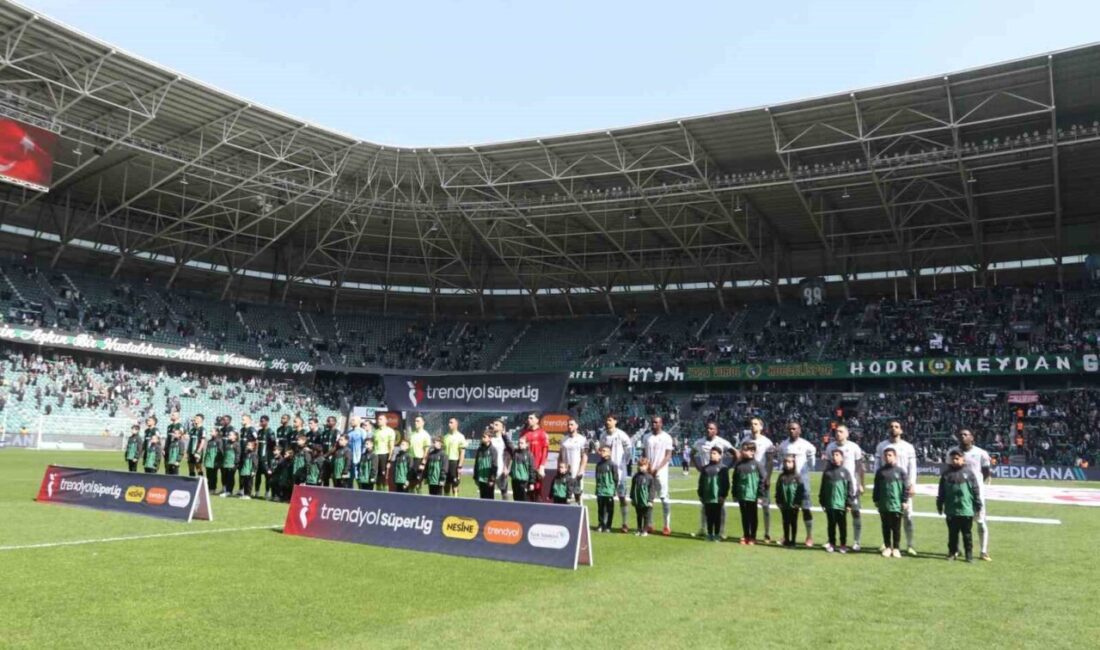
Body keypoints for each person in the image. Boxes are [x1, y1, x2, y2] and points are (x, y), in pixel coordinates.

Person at [874, 420, 918, 556]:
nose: (893, 429)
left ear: (901, 430)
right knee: (886, 517)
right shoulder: (882, 445)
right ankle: (887, 544)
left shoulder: (908, 447)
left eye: (896, 427)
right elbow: (877, 466)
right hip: (887, 486)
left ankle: (909, 545)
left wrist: (912, 484)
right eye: (891, 426)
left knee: (907, 517)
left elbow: (912, 467)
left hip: (903, 486)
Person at [949, 428, 993, 561]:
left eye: (965, 434)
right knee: (956, 523)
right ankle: (956, 550)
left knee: (980, 521)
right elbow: (948, 470)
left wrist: (977, 485)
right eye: (960, 434)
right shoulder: (952, 452)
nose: (962, 436)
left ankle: (983, 551)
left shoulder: (981, 453)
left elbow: (985, 472)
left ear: (972, 438)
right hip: (957, 493)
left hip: (975, 493)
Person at [936, 449, 984, 563]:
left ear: (963, 459)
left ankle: (969, 555)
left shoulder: (969, 473)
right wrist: (939, 504)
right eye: (953, 458)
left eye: (957, 458)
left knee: (967, 534)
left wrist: (978, 504)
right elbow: (941, 491)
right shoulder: (946, 474)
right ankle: (952, 553)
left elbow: (975, 490)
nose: (955, 460)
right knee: (952, 534)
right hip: (951, 509)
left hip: (966, 509)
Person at [691, 421, 736, 538]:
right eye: (707, 428)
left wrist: (727, 468)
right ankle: (703, 528)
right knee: (705, 505)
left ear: (716, 431)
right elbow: (692, 454)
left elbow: (736, 453)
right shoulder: (699, 442)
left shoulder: (722, 442)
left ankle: (721, 531)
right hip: (706, 476)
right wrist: (698, 467)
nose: (709, 430)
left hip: (718, 477)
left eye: (711, 429)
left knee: (721, 505)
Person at [824, 424, 864, 551]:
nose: (838, 433)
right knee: (835, 514)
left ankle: (857, 541)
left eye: (841, 431)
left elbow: (859, 467)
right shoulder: (830, 447)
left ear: (847, 434)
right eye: (836, 431)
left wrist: (860, 483)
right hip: (836, 486)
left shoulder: (854, 447)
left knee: (855, 512)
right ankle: (832, 541)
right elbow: (828, 466)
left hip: (851, 485)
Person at [777, 421, 817, 547]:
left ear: (799, 430)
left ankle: (809, 536)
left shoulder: (806, 445)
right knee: (787, 510)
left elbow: (812, 463)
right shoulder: (783, 445)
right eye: (789, 429)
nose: (791, 431)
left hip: (802, 482)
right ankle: (786, 536)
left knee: (805, 509)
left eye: (794, 429)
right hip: (788, 482)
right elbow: (779, 460)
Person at [740, 417, 776, 542]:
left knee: (765, 506)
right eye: (751, 424)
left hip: (761, 477)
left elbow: (770, 462)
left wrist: (768, 477)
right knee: (749, 507)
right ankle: (749, 533)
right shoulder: (745, 440)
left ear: (761, 427)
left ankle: (767, 533)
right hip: (749, 479)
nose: (753, 426)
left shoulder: (767, 442)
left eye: (755, 424)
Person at [873, 447, 909, 559]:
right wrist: (876, 500)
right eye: (886, 455)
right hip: (884, 504)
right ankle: (888, 547)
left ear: (895, 456)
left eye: (890, 455)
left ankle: (896, 548)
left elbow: (905, 488)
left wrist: (904, 501)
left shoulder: (901, 471)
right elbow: (877, 487)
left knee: (896, 527)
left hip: (897, 504)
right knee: (885, 526)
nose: (887, 457)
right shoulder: (880, 472)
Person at [599, 414, 633, 533]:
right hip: (607, 473)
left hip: (620, 471)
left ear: (615, 421)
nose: (607, 422)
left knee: (622, 497)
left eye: (610, 420)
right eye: (606, 420)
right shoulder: (603, 435)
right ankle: (605, 524)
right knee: (606, 498)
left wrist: (624, 463)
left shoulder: (621, 435)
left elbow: (629, 450)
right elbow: (601, 449)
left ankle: (625, 523)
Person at [644, 416, 674, 536]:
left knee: (664, 498)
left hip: (661, 472)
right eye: (652, 422)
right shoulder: (646, 437)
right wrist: (648, 466)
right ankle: (649, 524)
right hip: (649, 471)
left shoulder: (667, 437)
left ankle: (666, 525)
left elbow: (668, 456)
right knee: (648, 499)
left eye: (656, 422)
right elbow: (644, 453)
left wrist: (658, 468)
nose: (654, 424)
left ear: (661, 423)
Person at [819, 448, 853, 553]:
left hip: (841, 504)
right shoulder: (827, 472)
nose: (835, 457)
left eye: (837, 455)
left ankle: (843, 544)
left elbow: (849, 488)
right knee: (831, 525)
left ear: (842, 457)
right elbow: (823, 487)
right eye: (833, 455)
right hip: (829, 504)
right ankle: (832, 543)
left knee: (842, 525)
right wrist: (822, 501)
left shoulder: (845, 472)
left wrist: (848, 503)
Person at [731, 441, 765, 544]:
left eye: (745, 449)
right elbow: (735, 480)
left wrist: (760, 495)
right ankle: (746, 535)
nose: (742, 451)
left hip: (753, 495)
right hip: (742, 495)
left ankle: (753, 536)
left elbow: (762, 480)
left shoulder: (757, 465)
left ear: (752, 452)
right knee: (744, 516)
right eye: (742, 449)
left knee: (753, 516)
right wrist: (734, 494)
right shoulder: (739, 465)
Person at [697, 446, 732, 542]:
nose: (712, 455)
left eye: (714, 453)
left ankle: (717, 534)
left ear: (720, 456)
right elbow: (701, 483)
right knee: (709, 516)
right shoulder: (705, 468)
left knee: (717, 517)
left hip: (717, 497)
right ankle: (709, 534)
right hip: (707, 497)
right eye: (711, 453)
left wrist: (723, 496)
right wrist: (700, 495)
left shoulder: (723, 468)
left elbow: (726, 484)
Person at [775, 455, 806, 547]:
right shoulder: (781, 476)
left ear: (794, 463)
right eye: (786, 462)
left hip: (794, 505)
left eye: (790, 462)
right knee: (785, 522)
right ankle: (786, 539)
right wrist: (778, 501)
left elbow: (800, 491)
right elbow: (778, 490)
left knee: (793, 522)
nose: (787, 464)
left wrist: (798, 503)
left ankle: (793, 540)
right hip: (784, 504)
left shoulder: (797, 477)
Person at [520, 413, 549, 501]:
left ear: (537, 420)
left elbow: (545, 451)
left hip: (536, 468)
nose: (529, 420)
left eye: (531, 418)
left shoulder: (542, 433)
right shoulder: (524, 433)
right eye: (528, 418)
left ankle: (537, 513)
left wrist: (542, 466)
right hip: (525, 467)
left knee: (537, 492)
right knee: (525, 493)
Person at [559, 418, 588, 505]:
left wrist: (581, 470)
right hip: (565, 473)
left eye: (572, 424)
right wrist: (560, 468)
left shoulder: (582, 439)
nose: (569, 426)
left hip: (576, 473)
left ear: (577, 426)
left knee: (578, 496)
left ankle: (580, 516)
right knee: (566, 497)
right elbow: (560, 456)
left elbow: (585, 456)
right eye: (568, 424)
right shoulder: (563, 440)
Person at [593, 444, 619, 532]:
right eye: (601, 451)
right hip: (600, 491)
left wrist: (614, 490)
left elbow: (616, 479)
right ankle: (600, 525)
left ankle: (608, 526)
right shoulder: (599, 464)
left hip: (609, 491)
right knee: (600, 509)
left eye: (604, 451)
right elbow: (597, 478)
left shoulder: (613, 464)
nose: (602, 452)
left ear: (609, 453)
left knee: (609, 509)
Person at [630, 458, 657, 536]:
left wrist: (650, 500)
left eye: (643, 465)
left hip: (646, 501)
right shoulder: (635, 476)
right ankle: (639, 529)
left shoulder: (650, 477)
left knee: (646, 516)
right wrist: (632, 498)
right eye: (640, 465)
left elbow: (652, 490)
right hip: (638, 500)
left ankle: (645, 530)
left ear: (647, 466)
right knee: (639, 515)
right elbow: (633, 487)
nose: (641, 467)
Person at [407, 415, 433, 494]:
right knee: (410, 482)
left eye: (418, 421)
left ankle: (419, 499)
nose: (416, 423)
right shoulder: (412, 434)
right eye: (415, 421)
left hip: (419, 459)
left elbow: (426, 451)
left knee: (418, 482)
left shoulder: (426, 435)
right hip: (411, 459)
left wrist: (423, 463)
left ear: (423, 423)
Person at [489, 419, 513, 500]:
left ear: (502, 428)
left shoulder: (505, 440)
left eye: (496, 425)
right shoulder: (490, 439)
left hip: (501, 471)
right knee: (489, 494)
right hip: (490, 470)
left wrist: (506, 467)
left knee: (504, 493)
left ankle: (506, 511)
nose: (494, 426)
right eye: (494, 424)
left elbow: (512, 451)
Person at [372, 413, 397, 491]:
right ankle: (378, 493)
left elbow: (391, 447)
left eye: (380, 419)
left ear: (386, 421)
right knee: (377, 476)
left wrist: (389, 460)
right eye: (378, 419)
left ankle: (385, 494)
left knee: (384, 476)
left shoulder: (390, 431)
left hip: (384, 455)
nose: (378, 421)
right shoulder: (375, 432)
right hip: (376, 455)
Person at [443, 418, 467, 497]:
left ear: (456, 424)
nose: (449, 424)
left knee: (455, 484)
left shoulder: (460, 436)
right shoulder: (446, 436)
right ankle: (446, 500)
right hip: (446, 462)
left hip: (454, 462)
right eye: (449, 422)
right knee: (446, 483)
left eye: (451, 422)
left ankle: (455, 500)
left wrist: (460, 466)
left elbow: (462, 453)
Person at [473, 430, 498, 499]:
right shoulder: (479, 449)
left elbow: (494, 466)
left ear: (489, 438)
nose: (482, 438)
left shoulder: (493, 450)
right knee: (482, 498)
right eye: (482, 437)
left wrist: (492, 479)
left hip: (489, 479)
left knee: (490, 499)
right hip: (481, 479)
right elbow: (476, 464)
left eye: (484, 437)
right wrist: (475, 477)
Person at [256, 415, 276, 499]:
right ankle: (257, 492)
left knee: (268, 476)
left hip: (266, 458)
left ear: (267, 421)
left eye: (262, 421)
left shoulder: (270, 432)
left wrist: (270, 457)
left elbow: (273, 444)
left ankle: (267, 492)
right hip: (259, 457)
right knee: (257, 475)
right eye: (260, 421)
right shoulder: (259, 431)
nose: (261, 422)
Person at [510, 436, 535, 502]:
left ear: (527, 444)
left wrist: (531, 482)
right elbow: (508, 444)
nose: (519, 444)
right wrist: (504, 434)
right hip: (515, 481)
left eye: (522, 443)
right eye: (519, 443)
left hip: (524, 482)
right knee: (516, 499)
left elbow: (531, 469)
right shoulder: (515, 452)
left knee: (523, 500)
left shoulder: (529, 455)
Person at [220, 431, 240, 497]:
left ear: (235, 436)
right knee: (225, 477)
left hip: (232, 464)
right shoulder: (227, 443)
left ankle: (229, 491)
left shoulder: (237, 444)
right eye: (229, 434)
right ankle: (225, 490)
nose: (228, 435)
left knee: (230, 477)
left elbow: (237, 454)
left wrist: (235, 463)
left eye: (230, 435)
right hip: (226, 464)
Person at [186, 414, 206, 478]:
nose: (195, 419)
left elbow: (202, 442)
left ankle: (201, 483)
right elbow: (189, 440)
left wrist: (198, 452)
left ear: (201, 420)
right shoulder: (192, 430)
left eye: (197, 418)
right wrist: (187, 452)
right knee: (190, 467)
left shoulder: (202, 429)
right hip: (190, 451)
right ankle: (191, 484)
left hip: (197, 452)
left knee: (198, 467)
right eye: (195, 418)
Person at [346, 416, 364, 485]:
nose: (351, 422)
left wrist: (362, 457)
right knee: (348, 478)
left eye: (353, 420)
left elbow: (364, 445)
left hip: (358, 459)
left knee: (358, 479)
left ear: (359, 422)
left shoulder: (362, 432)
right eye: (351, 420)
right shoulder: (348, 432)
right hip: (349, 459)